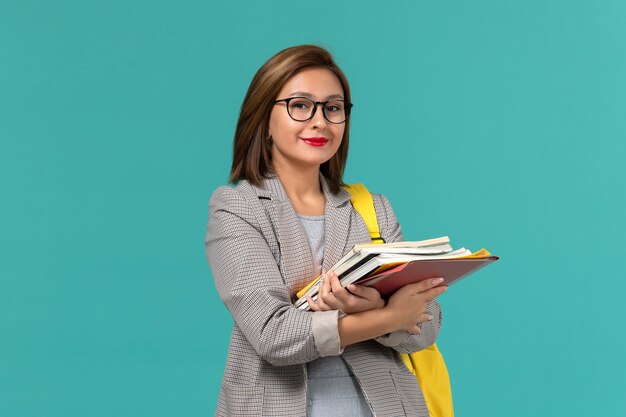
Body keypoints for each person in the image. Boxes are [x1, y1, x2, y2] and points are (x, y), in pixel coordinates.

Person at [205, 45, 448, 417]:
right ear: (263, 117)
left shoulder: (372, 208)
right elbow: (274, 335)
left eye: (332, 108)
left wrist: (374, 306)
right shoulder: (238, 209)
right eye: (300, 105)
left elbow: (427, 323)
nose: (319, 121)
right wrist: (386, 317)